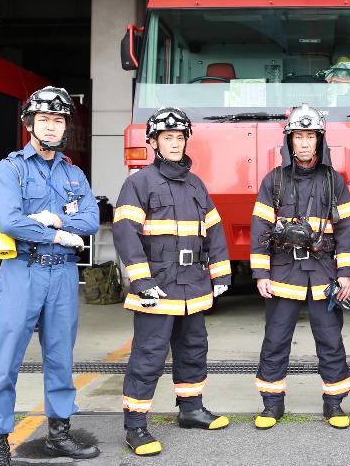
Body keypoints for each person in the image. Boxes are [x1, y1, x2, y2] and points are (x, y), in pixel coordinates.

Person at [0, 86, 100, 466]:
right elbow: (11, 221)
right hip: (22, 271)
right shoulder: (11, 168)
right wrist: (57, 234)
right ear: (30, 124)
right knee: (6, 361)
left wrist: (56, 219)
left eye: (59, 120)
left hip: (63, 274)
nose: (51, 127)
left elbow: (92, 220)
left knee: (60, 358)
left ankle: (59, 435)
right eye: (45, 119)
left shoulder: (74, 173)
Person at [113, 107, 231, 457]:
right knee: (148, 357)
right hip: (158, 285)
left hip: (193, 285)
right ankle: (135, 426)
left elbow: (214, 230)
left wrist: (221, 273)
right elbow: (125, 234)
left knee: (194, 349)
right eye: (168, 138)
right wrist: (141, 280)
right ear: (153, 143)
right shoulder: (138, 183)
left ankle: (191, 409)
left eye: (180, 137)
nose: (176, 143)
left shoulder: (196, 184)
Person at [249, 104, 350, 429]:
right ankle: (271, 405)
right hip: (283, 274)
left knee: (330, 340)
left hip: (324, 273)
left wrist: (345, 274)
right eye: (299, 136)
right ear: (290, 141)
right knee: (275, 339)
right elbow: (259, 229)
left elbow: (348, 228)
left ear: (319, 140)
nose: (305, 143)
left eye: (311, 136)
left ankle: (334, 404)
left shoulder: (333, 181)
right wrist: (261, 274)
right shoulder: (275, 181)